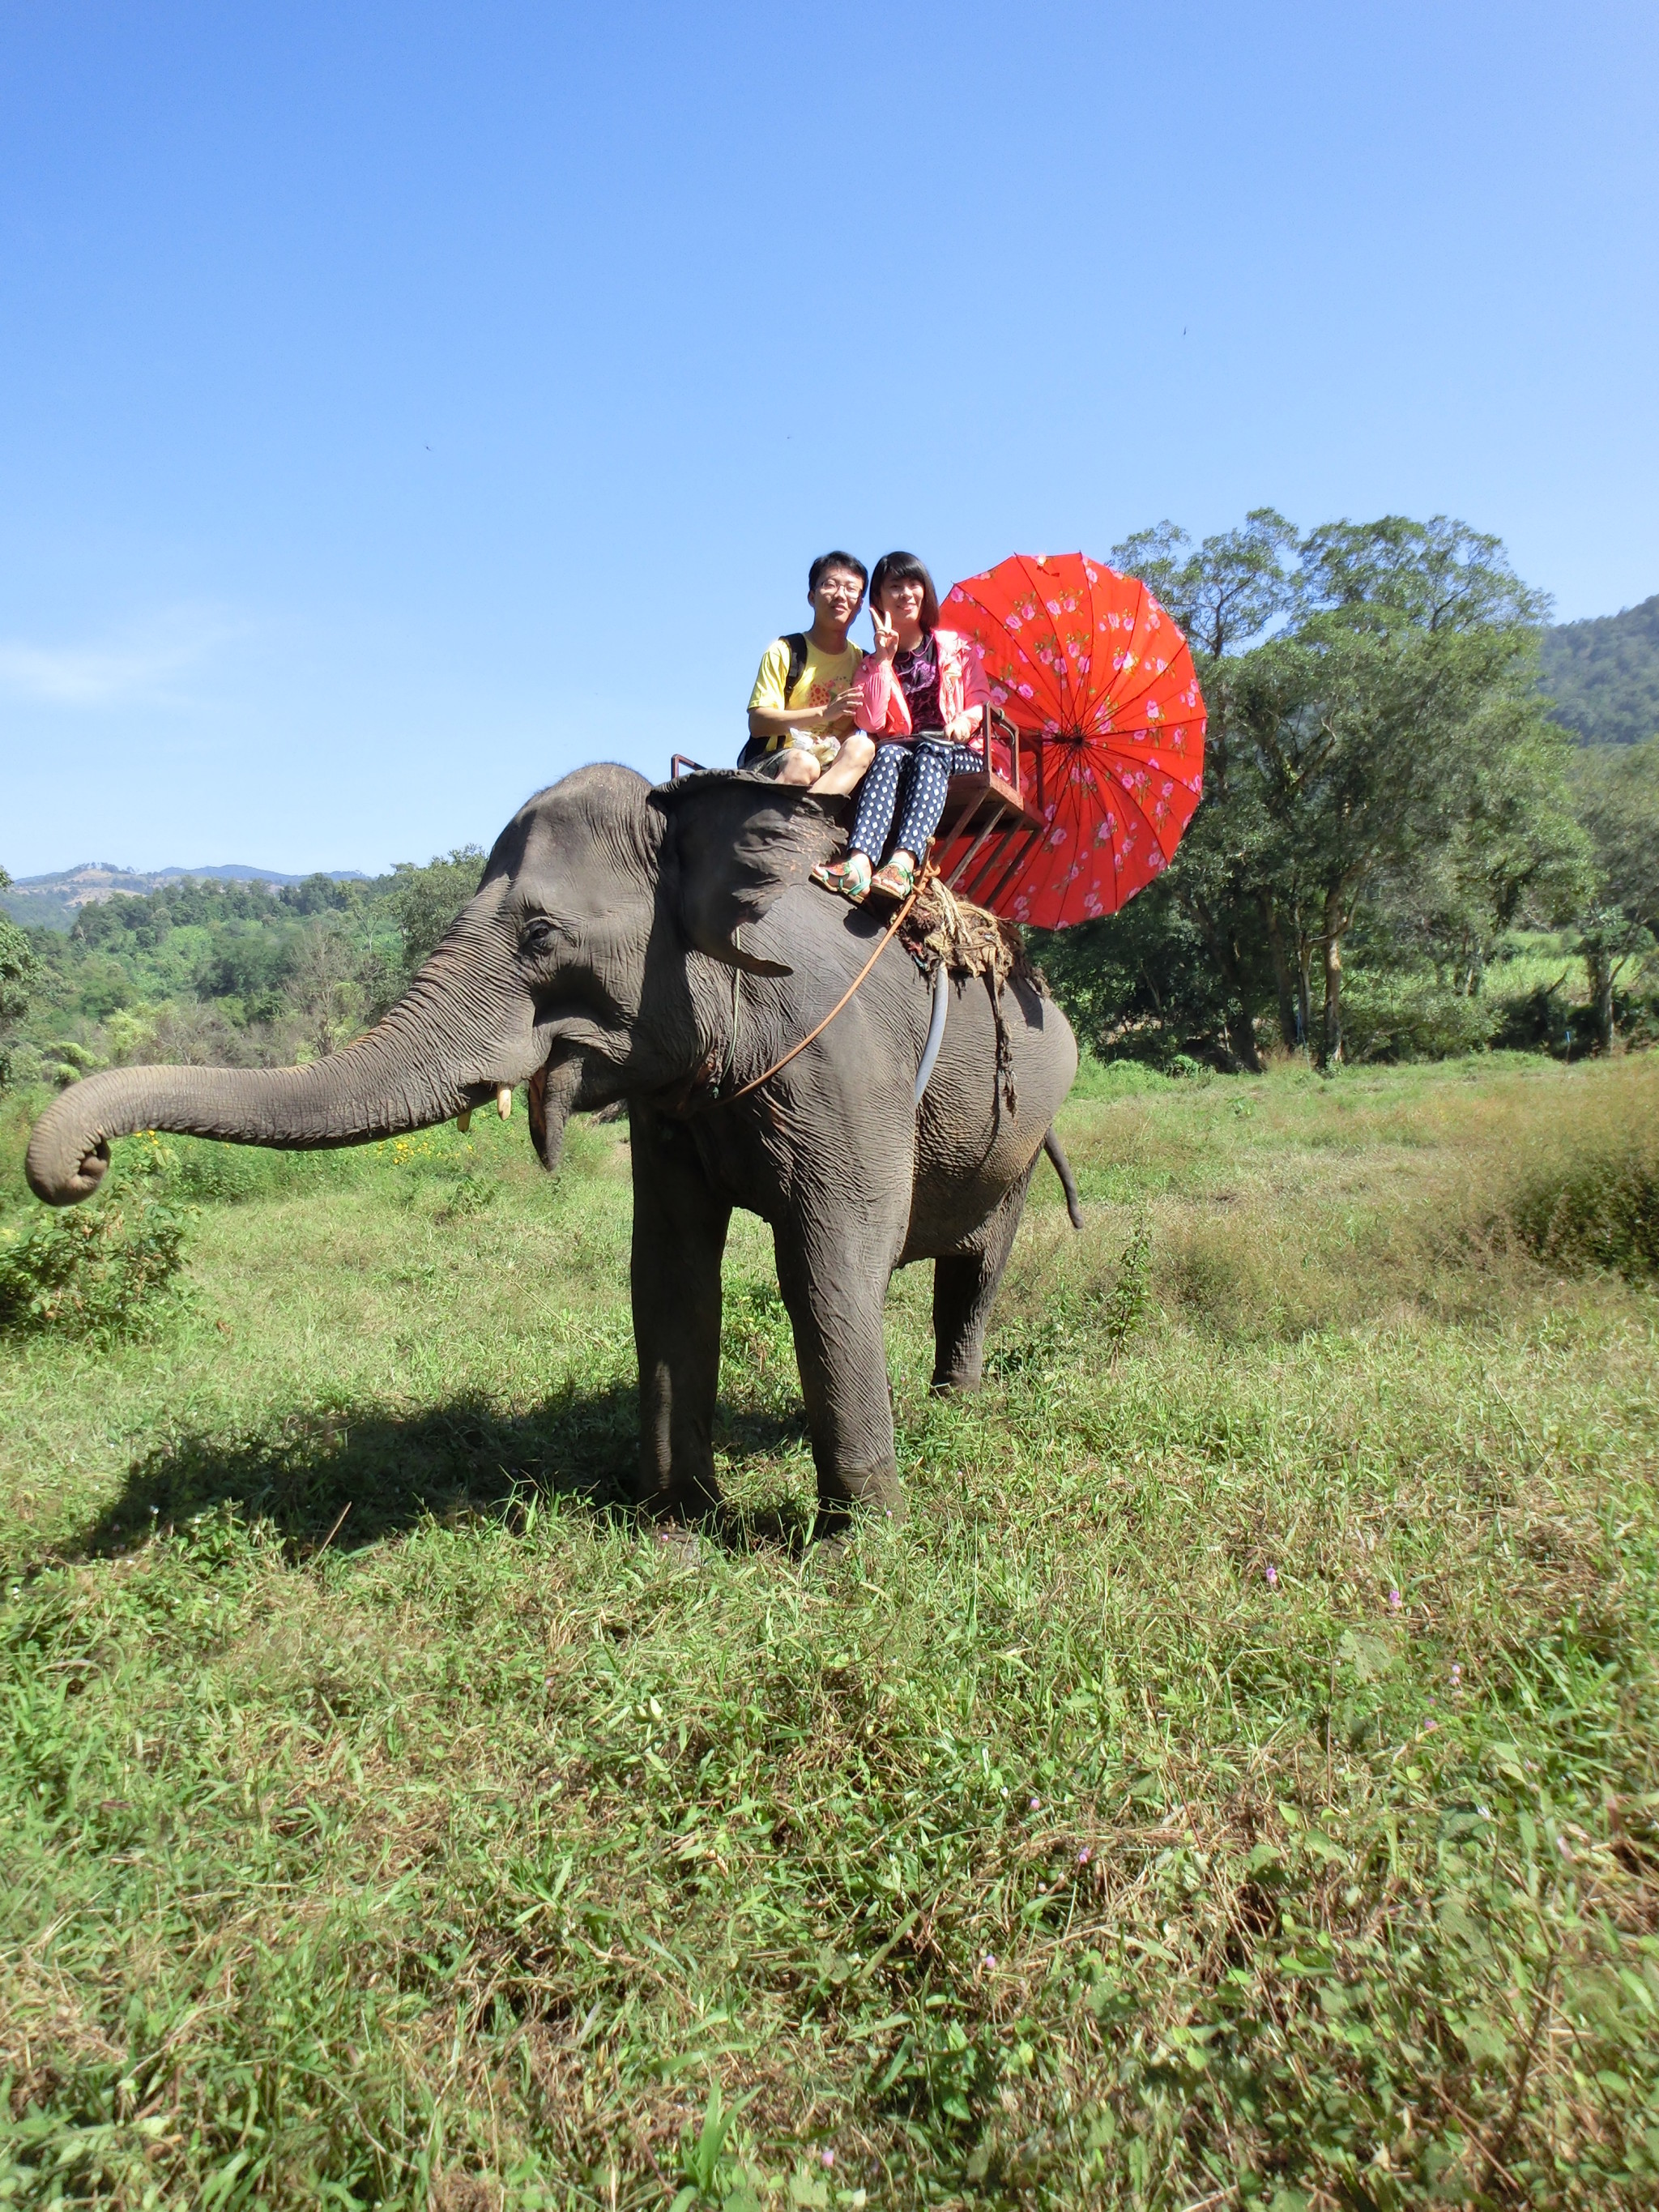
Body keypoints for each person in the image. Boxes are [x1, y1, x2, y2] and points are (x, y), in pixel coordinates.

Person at [812, 550, 990, 901]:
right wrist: (882, 660)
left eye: (914, 584)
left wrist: (963, 721)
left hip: (959, 750)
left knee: (929, 750)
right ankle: (859, 864)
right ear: (878, 599)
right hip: (903, 753)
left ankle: (902, 863)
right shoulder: (869, 663)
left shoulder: (957, 648)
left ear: (925, 591)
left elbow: (980, 700)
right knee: (889, 752)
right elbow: (871, 721)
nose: (906, 594)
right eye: (895, 586)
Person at [744, 552, 879, 794]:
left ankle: (805, 822)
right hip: (778, 761)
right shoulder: (786, 651)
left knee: (863, 746)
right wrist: (825, 713)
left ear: (860, 604)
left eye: (851, 589)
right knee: (805, 764)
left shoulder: (865, 663)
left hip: (834, 770)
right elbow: (758, 723)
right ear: (811, 596)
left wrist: (886, 657)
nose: (840, 595)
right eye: (830, 585)